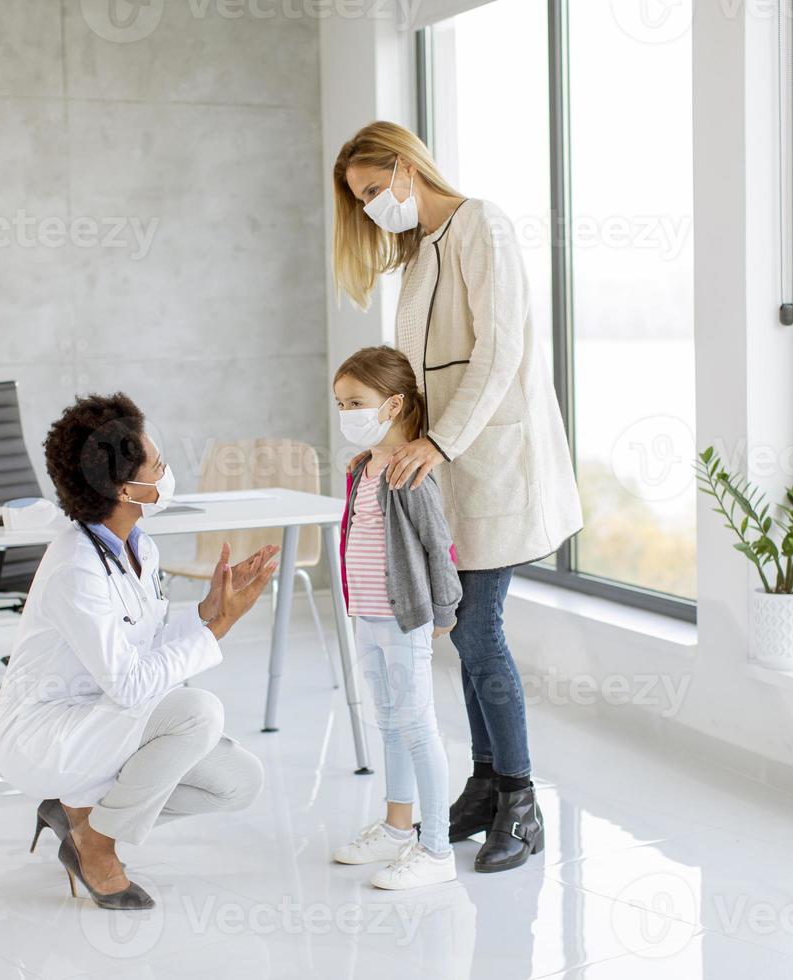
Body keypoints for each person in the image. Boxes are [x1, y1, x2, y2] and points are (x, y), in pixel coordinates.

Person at [332, 121, 583, 872]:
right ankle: (483, 785)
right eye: (362, 200)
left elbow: (501, 348)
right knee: (466, 627)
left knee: (478, 632)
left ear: (407, 167)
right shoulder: (416, 260)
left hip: (495, 464)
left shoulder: (484, 226)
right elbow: (411, 378)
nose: (375, 206)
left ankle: (521, 801)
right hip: (444, 474)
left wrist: (438, 443)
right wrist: (385, 441)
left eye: (376, 190)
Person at [0, 392, 277, 910]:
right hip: (46, 736)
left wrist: (207, 611)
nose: (167, 473)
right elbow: (130, 684)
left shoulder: (137, 544)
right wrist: (217, 631)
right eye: (159, 465)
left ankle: (81, 815)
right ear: (127, 489)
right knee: (196, 712)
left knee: (238, 783)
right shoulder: (76, 567)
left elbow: (142, 644)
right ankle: (96, 844)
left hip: (103, 720)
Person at [329, 346, 463, 890]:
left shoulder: (410, 473)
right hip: (365, 614)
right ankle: (396, 827)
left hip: (402, 618)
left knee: (417, 727)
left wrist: (445, 610)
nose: (346, 413)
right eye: (340, 403)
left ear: (394, 405)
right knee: (387, 723)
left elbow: (440, 547)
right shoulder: (363, 469)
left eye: (356, 402)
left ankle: (436, 851)